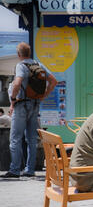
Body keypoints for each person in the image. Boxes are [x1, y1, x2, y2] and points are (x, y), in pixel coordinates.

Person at [1, 42, 57, 178]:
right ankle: (30, 170)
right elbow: (53, 81)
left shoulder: (21, 66)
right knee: (32, 139)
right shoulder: (38, 64)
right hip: (35, 105)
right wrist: (44, 96)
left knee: (15, 138)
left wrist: (13, 99)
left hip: (21, 106)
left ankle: (15, 170)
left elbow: (18, 83)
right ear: (29, 53)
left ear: (19, 54)